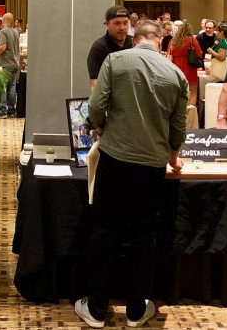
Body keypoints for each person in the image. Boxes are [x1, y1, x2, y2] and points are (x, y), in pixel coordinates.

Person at [76, 20, 187, 329]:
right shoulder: (176, 74)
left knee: (105, 231)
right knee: (143, 234)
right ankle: (137, 310)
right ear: (160, 42)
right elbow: (178, 127)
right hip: (152, 165)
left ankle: (97, 309)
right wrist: (173, 157)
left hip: (115, 158)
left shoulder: (115, 60)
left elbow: (96, 105)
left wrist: (100, 127)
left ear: (134, 39)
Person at [87, 6, 133, 90]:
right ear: (107, 24)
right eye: (117, 24)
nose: (122, 28)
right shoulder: (99, 47)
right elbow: (95, 84)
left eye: (125, 23)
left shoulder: (134, 43)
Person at [166, 21, 203, 105]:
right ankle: (190, 109)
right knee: (193, 92)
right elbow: (199, 53)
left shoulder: (173, 41)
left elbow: (169, 53)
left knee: (177, 92)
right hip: (190, 68)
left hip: (176, 67)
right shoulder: (192, 40)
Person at [0, 13, 21, 118]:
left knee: (3, 87)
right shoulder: (16, 32)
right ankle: (11, 110)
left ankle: (2, 111)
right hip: (15, 63)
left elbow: (3, 47)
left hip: (5, 63)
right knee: (12, 87)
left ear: (3, 20)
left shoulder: (2, 32)